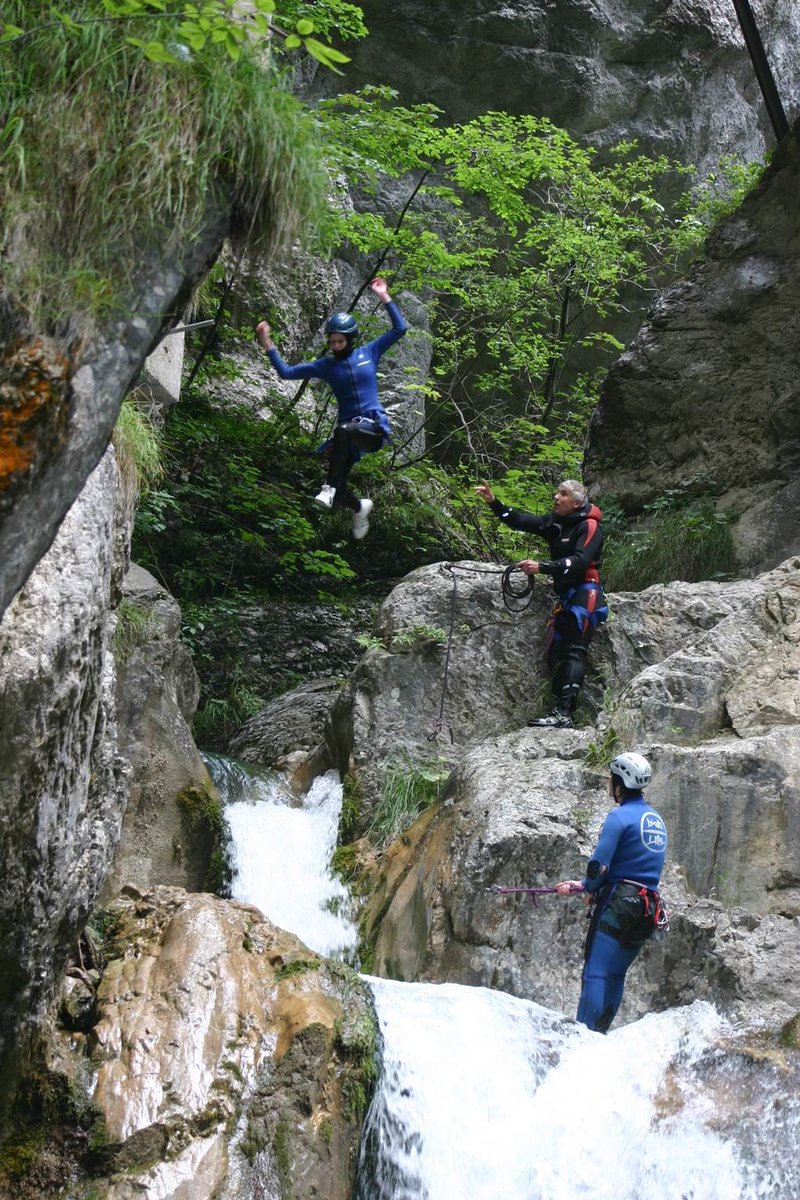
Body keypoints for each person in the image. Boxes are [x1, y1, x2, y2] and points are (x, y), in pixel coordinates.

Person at [255, 277, 408, 540]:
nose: (335, 346)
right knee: (338, 493)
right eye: (332, 341)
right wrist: (267, 343)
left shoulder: (368, 353)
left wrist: (384, 296)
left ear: (350, 339)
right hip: (346, 435)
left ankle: (328, 488)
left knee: (344, 432)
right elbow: (286, 372)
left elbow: (400, 328)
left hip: (371, 429)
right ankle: (359, 507)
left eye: (339, 341)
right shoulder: (325, 365)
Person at [475, 478, 607, 728]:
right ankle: (559, 710)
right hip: (566, 595)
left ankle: (564, 715)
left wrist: (542, 567)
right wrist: (494, 502)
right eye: (558, 492)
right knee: (557, 652)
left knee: (574, 650)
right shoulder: (556, 523)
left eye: (563, 494)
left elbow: (579, 561)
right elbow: (521, 521)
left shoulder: (589, 526)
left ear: (577, 503)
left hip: (585, 593)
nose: (556, 497)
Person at [556, 752, 668, 1033]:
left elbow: (598, 866)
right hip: (648, 908)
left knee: (596, 972)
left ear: (618, 784)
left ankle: (582, 1038)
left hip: (620, 904)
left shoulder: (619, 818)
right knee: (616, 975)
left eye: (611, 779)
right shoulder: (656, 821)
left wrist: (585, 887)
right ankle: (601, 1036)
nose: (609, 783)